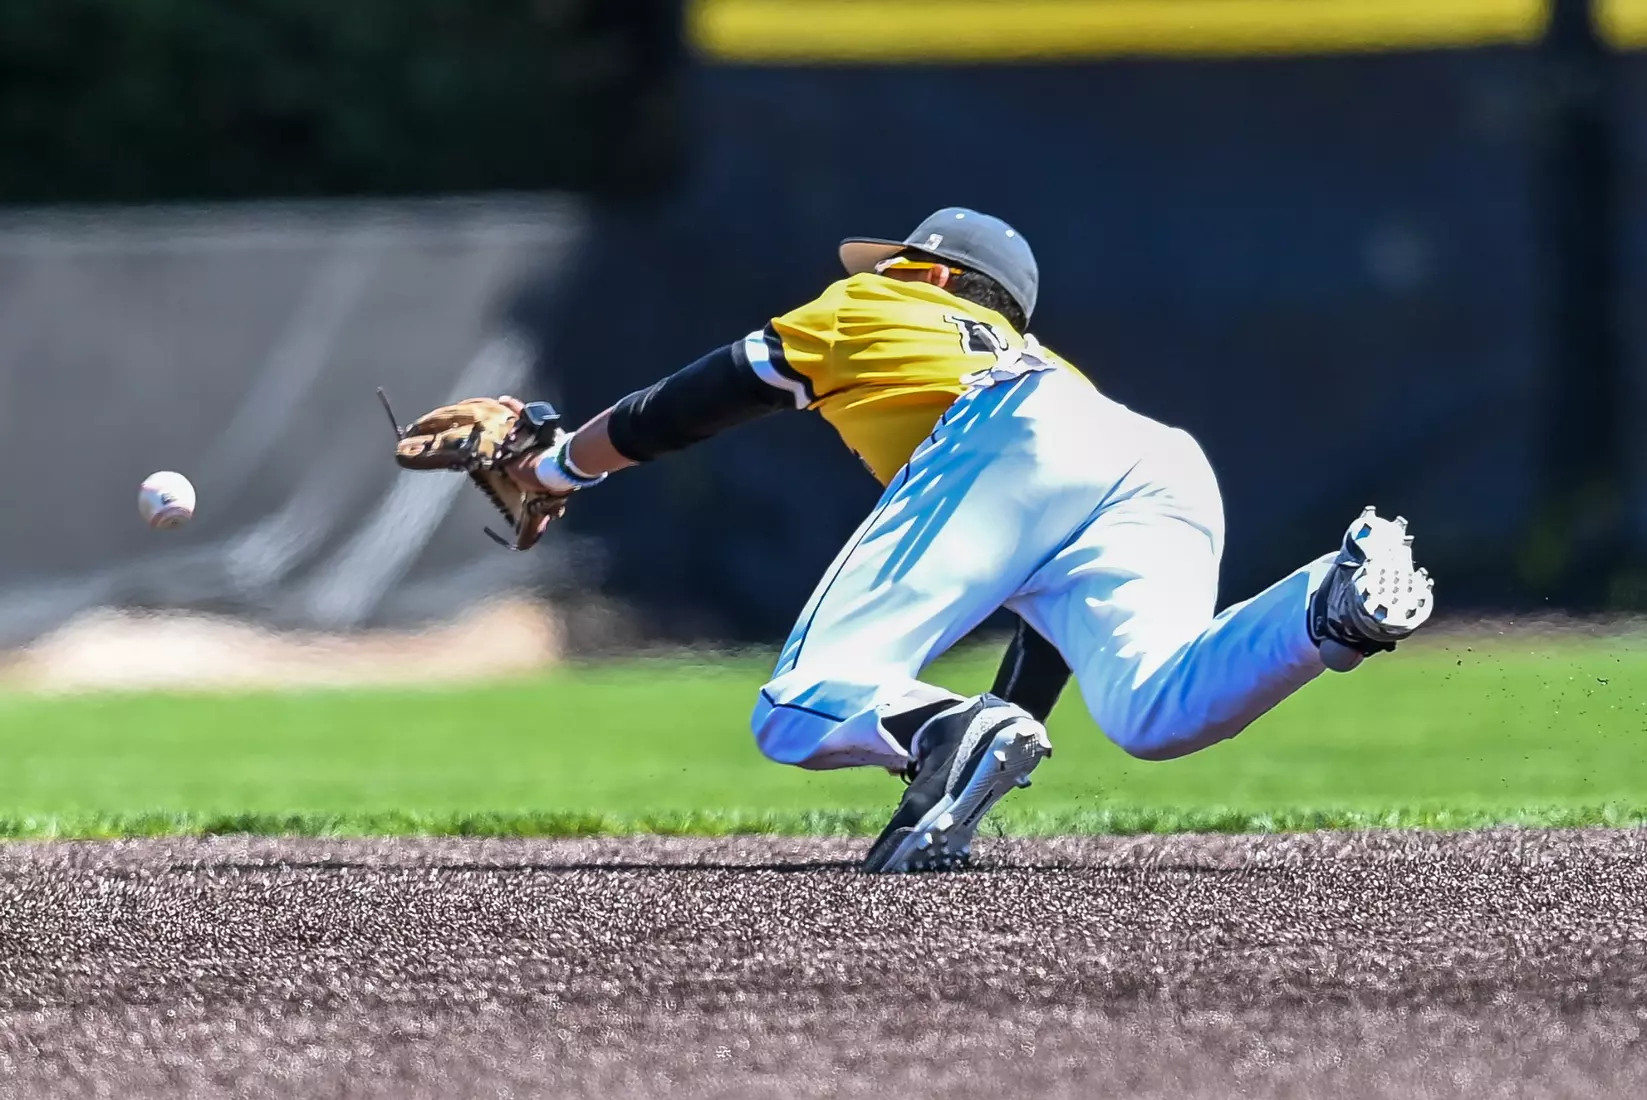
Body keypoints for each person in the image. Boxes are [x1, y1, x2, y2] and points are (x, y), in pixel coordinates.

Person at [495, 207, 1435, 873]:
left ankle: (941, 727)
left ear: (934, 273)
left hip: (1005, 431)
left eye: (895, 260)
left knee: (797, 703)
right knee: (1155, 707)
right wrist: (966, 767)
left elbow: (704, 393)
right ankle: (1327, 603)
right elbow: (1050, 622)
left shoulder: (873, 305)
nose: (875, 270)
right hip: (1156, 459)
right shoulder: (1046, 360)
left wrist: (556, 467)